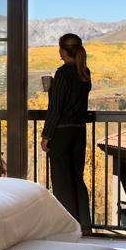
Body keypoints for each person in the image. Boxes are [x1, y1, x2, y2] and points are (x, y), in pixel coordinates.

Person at [41, 32, 92, 229]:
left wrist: (47, 135)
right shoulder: (84, 72)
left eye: (59, 48)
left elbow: (56, 109)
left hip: (62, 134)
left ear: (63, 50)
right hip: (78, 133)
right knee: (77, 180)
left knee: (62, 183)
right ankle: (85, 226)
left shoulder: (62, 73)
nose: (59, 51)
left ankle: (68, 228)